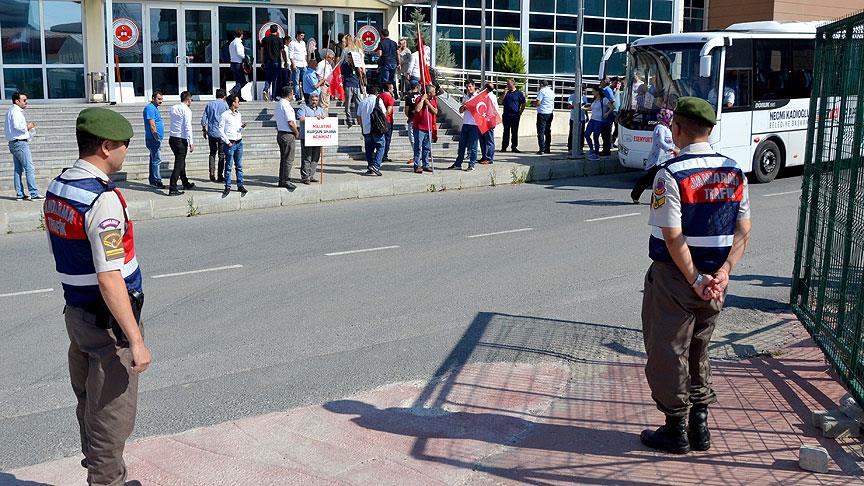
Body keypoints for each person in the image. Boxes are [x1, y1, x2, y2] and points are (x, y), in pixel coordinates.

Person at [43, 107, 151, 486]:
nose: (126, 153)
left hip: (77, 315)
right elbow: (109, 279)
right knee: (110, 418)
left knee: (90, 405)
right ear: (106, 147)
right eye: (123, 146)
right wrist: (135, 340)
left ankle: (108, 475)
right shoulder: (101, 199)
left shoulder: (59, 187)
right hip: (108, 325)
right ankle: (107, 481)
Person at [640, 97, 751, 455]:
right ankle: (700, 425)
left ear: (677, 129)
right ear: (710, 129)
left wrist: (694, 279)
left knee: (668, 349)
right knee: (700, 348)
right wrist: (723, 273)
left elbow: (673, 236)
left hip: (676, 277)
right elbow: (744, 228)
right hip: (716, 281)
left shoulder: (670, 174)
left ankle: (676, 429)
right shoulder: (734, 171)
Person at [631, 108, 677, 203]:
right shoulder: (659, 128)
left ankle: (662, 198)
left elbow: (670, 142)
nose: (672, 120)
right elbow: (660, 142)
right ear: (666, 117)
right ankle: (635, 195)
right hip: (657, 160)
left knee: (664, 180)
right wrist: (672, 149)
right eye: (671, 118)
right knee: (649, 180)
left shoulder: (667, 129)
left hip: (667, 159)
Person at [5, 92, 41, 201]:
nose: (26, 102)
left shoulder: (11, 111)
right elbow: (17, 126)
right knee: (29, 168)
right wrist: (28, 126)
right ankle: (34, 193)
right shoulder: (16, 111)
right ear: (17, 101)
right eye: (24, 100)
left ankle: (20, 194)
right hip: (20, 143)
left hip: (14, 143)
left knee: (18, 169)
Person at [447, 80, 480, 171]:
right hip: (466, 123)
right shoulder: (465, 97)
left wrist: (473, 106)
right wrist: (464, 106)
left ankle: (471, 164)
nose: (468, 89)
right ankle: (458, 164)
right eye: (467, 87)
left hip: (474, 124)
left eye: (470, 87)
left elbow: (481, 110)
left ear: (474, 86)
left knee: (473, 146)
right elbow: (461, 110)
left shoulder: (478, 97)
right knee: (461, 145)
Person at [218, 95, 247, 196]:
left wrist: (242, 127)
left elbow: (238, 128)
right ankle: (228, 186)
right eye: (237, 101)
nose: (239, 103)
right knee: (229, 166)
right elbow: (220, 130)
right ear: (233, 103)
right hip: (230, 143)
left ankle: (240, 185)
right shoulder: (225, 115)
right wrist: (227, 142)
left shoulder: (239, 114)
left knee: (239, 166)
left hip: (239, 142)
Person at [167, 91, 195, 196]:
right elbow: (188, 127)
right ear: (188, 99)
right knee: (179, 164)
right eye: (191, 100)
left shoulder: (173, 107)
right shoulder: (187, 110)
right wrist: (191, 142)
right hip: (180, 140)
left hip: (172, 138)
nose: (191, 101)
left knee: (181, 161)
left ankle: (185, 182)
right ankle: (172, 187)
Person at [357, 85, 388, 176]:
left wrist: (362, 127)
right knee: (381, 146)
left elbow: (359, 117)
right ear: (377, 93)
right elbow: (384, 113)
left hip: (366, 129)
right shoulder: (378, 100)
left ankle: (370, 166)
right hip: (377, 129)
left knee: (369, 149)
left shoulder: (362, 102)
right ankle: (375, 166)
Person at [296, 93, 327, 184]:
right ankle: (305, 177)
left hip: (317, 137)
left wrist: (323, 118)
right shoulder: (303, 108)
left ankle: (311, 175)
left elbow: (326, 119)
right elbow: (301, 119)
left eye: (316, 100)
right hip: (307, 137)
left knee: (315, 157)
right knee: (307, 157)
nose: (314, 102)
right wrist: (313, 119)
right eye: (313, 100)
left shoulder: (321, 110)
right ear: (309, 100)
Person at [200, 89, 228, 182]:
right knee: (221, 154)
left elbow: (204, 119)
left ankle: (211, 172)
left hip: (211, 132)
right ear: (224, 96)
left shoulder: (209, 104)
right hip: (221, 133)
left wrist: (204, 129)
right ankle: (220, 175)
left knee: (212, 153)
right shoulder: (225, 105)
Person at [275, 85, 299, 191]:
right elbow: (291, 122)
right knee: (288, 159)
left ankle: (282, 180)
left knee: (284, 159)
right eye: (292, 93)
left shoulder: (279, 104)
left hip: (281, 133)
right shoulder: (286, 105)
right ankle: (286, 180)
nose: (293, 95)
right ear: (289, 94)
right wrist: (296, 132)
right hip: (288, 134)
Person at [412, 85, 438, 174]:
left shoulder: (433, 100)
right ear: (429, 93)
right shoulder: (418, 99)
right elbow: (417, 109)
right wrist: (423, 100)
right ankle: (417, 165)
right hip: (419, 128)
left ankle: (426, 165)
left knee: (427, 148)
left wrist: (428, 104)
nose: (435, 94)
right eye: (434, 92)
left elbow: (435, 111)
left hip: (429, 128)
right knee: (418, 147)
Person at [583, 86, 612, 161]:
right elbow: (592, 108)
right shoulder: (594, 100)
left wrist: (607, 113)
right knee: (586, 134)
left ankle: (596, 153)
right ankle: (591, 149)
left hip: (599, 121)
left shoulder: (604, 99)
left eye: (593, 91)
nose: (592, 93)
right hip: (592, 119)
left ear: (597, 92)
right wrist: (584, 109)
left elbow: (612, 107)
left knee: (595, 136)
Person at [143, 91, 165, 188]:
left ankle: (152, 180)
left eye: (161, 99)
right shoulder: (150, 108)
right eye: (159, 99)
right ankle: (157, 180)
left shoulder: (154, 108)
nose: (161, 101)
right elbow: (152, 124)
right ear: (153, 98)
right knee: (156, 160)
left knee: (153, 159)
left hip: (154, 138)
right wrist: (156, 137)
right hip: (153, 138)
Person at [259, 25, 285, 102]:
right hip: (276, 61)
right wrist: (285, 61)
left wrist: (262, 62)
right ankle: (273, 97)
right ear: (277, 31)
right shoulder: (279, 39)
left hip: (267, 61)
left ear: (270, 30)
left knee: (267, 78)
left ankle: (265, 89)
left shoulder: (264, 39)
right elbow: (282, 51)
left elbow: (262, 51)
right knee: (275, 79)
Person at [500, 79, 526, 153]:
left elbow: (523, 103)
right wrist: (504, 93)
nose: (507, 85)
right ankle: (504, 147)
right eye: (507, 84)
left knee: (514, 132)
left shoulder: (519, 93)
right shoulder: (506, 92)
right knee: (506, 132)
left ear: (513, 84)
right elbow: (500, 101)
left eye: (508, 84)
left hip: (515, 116)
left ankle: (514, 147)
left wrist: (520, 112)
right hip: (506, 115)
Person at [478, 82, 499, 165]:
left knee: (489, 140)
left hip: (489, 120)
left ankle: (489, 158)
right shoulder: (485, 96)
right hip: (483, 120)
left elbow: (492, 110)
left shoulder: (491, 96)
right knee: (483, 140)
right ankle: (484, 157)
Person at [376, 29, 399, 97]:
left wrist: (378, 63)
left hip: (385, 62)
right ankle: (395, 93)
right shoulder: (394, 43)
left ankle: (385, 94)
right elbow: (398, 54)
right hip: (393, 63)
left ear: (382, 35)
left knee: (385, 79)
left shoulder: (381, 43)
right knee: (392, 79)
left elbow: (379, 54)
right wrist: (398, 63)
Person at [340, 54, 362, 129]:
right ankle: (349, 120)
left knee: (358, 103)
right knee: (348, 103)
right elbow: (341, 74)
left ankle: (359, 119)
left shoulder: (357, 65)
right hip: (348, 85)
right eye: (349, 57)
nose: (350, 59)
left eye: (351, 57)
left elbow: (360, 76)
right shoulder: (345, 65)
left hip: (356, 85)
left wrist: (359, 69)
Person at [600, 77, 620, 156]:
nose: (617, 85)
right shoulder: (609, 89)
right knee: (607, 131)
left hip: (615, 112)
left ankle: (609, 145)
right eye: (615, 83)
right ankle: (608, 146)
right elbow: (612, 100)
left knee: (614, 129)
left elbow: (615, 100)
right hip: (611, 112)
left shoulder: (610, 90)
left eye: (618, 83)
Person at [403, 80, 421, 166]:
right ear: (417, 87)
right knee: (419, 139)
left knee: (413, 139)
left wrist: (410, 115)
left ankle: (417, 156)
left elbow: (406, 111)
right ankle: (417, 156)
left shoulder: (408, 96)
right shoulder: (421, 96)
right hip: (420, 120)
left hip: (412, 120)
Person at [535, 80, 555, 155]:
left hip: (542, 113)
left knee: (540, 132)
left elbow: (538, 102)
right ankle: (547, 148)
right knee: (547, 131)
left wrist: (534, 103)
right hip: (550, 113)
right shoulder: (551, 91)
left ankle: (541, 149)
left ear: (542, 84)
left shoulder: (542, 91)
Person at [379, 83, 396, 164]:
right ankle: (384, 156)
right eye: (392, 88)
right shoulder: (389, 98)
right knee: (387, 139)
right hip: (387, 121)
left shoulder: (379, 96)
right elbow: (388, 111)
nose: (393, 90)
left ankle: (380, 154)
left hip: (378, 120)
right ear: (389, 89)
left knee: (380, 138)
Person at [228, 29, 247, 101]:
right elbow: (239, 53)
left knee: (238, 81)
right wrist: (245, 57)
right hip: (238, 63)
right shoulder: (238, 42)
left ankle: (238, 97)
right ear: (241, 34)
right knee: (243, 81)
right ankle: (234, 91)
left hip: (233, 63)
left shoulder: (232, 43)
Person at [289, 31, 308, 103]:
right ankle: (297, 96)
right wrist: (293, 64)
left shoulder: (303, 43)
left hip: (303, 64)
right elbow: (290, 54)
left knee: (305, 81)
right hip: (296, 64)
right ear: (298, 35)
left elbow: (305, 53)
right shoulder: (292, 43)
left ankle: (306, 96)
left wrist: (306, 62)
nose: (303, 37)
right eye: (301, 36)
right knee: (296, 81)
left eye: (303, 36)